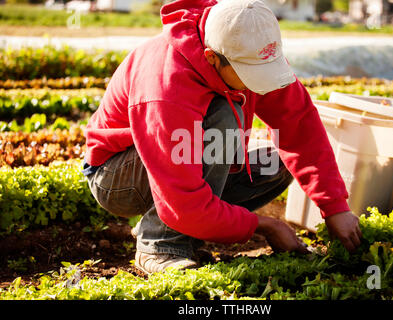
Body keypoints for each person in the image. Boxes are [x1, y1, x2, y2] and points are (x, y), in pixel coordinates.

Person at [82, 0, 362, 275]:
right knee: (225, 122)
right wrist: (264, 225)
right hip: (116, 176)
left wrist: (334, 207)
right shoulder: (166, 86)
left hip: (176, 169)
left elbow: (298, 123)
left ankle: (186, 231)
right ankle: (161, 244)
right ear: (211, 58)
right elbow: (184, 201)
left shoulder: (248, 43)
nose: (258, 82)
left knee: (275, 165)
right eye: (249, 74)